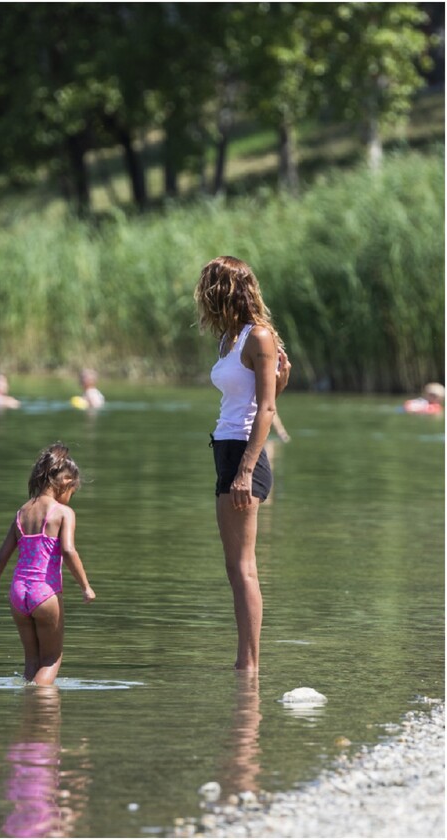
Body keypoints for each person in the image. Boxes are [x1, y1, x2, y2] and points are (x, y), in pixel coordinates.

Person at [194, 256, 292, 672]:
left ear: (226, 291)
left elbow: (267, 408)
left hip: (244, 456)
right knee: (233, 568)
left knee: (244, 567)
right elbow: (254, 397)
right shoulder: (228, 339)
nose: (203, 298)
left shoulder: (260, 338)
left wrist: (247, 469)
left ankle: (249, 666)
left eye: (208, 289)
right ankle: (243, 665)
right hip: (225, 449)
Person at [0, 444, 95, 685]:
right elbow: (69, 551)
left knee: (31, 662)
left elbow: (0, 558)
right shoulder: (63, 512)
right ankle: (41, 711)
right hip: (45, 593)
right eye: (73, 490)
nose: (71, 496)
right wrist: (85, 586)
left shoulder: (22, 512)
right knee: (51, 659)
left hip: (18, 593)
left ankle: (27, 715)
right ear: (65, 481)